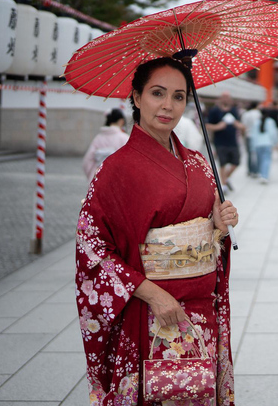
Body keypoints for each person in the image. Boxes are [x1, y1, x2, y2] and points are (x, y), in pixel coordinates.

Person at [75, 57, 239, 405]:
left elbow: (212, 239)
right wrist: (153, 294)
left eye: (179, 96)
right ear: (136, 97)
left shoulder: (198, 162)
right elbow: (92, 248)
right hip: (150, 311)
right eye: (157, 93)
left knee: (198, 393)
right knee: (157, 395)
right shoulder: (116, 169)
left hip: (201, 309)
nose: (168, 105)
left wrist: (219, 228)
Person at [206, 92, 243, 193]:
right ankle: (223, 184)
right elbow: (207, 126)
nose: (226, 99)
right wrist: (219, 126)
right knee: (223, 163)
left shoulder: (234, 110)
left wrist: (236, 124)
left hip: (233, 141)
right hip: (220, 142)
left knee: (236, 162)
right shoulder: (215, 111)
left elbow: (240, 125)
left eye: (228, 97)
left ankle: (225, 178)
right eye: (224, 97)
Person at [82, 108, 130, 182]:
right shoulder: (124, 138)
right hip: (117, 180)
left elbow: (87, 161)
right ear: (121, 121)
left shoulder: (98, 138)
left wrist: (92, 175)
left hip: (99, 180)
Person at [251, 106, 278, 184]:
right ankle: (265, 176)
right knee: (266, 160)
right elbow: (273, 133)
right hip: (267, 143)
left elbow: (253, 135)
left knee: (260, 160)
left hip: (258, 144)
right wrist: (275, 143)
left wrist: (253, 146)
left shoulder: (257, 122)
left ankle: (261, 174)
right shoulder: (270, 121)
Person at [240, 102, 261, 178]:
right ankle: (256, 170)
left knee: (249, 153)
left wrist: (242, 135)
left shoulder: (246, 114)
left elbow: (243, 126)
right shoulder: (258, 113)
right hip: (257, 136)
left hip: (248, 134)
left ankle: (250, 170)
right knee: (256, 153)